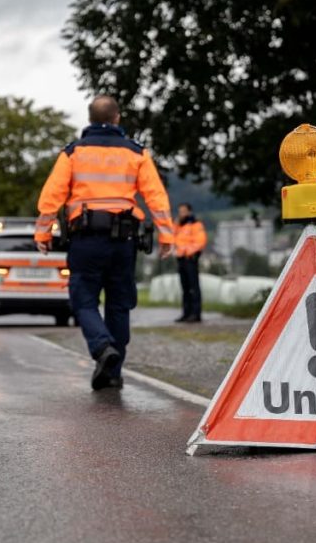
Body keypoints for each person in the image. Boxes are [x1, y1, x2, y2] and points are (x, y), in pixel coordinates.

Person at [34, 95, 174, 390]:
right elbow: (156, 197)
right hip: (123, 240)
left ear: (90, 119)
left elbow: (52, 195)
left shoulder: (73, 152)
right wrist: (167, 234)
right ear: (117, 118)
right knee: (119, 304)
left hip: (85, 239)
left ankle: (102, 349)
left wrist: (43, 233)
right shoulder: (136, 153)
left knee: (83, 300)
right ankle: (113, 371)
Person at [173, 203, 207, 323]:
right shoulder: (179, 226)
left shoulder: (196, 225)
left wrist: (189, 252)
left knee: (193, 287)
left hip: (191, 259)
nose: (181, 214)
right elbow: (173, 236)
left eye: (183, 211)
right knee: (185, 288)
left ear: (189, 212)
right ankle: (186, 313)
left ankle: (195, 314)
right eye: (179, 211)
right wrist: (176, 223)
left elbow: (200, 241)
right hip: (181, 258)